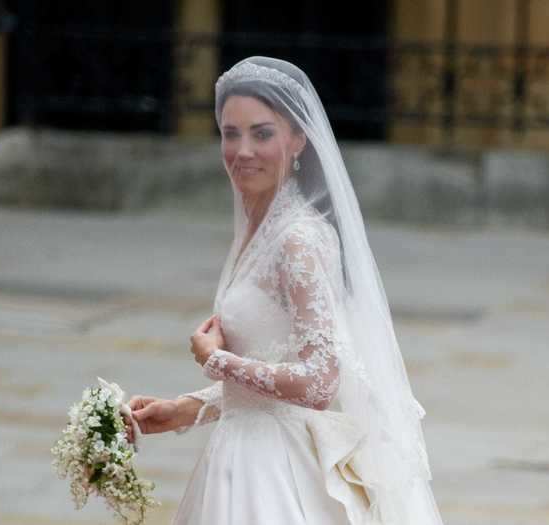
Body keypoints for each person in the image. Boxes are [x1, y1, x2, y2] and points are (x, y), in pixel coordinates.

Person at [125, 56, 444, 525]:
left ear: (297, 140)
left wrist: (215, 359)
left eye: (262, 133)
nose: (242, 150)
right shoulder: (261, 229)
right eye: (230, 133)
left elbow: (319, 381)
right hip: (239, 455)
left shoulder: (296, 239)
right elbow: (264, 383)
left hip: (274, 471)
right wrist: (182, 410)